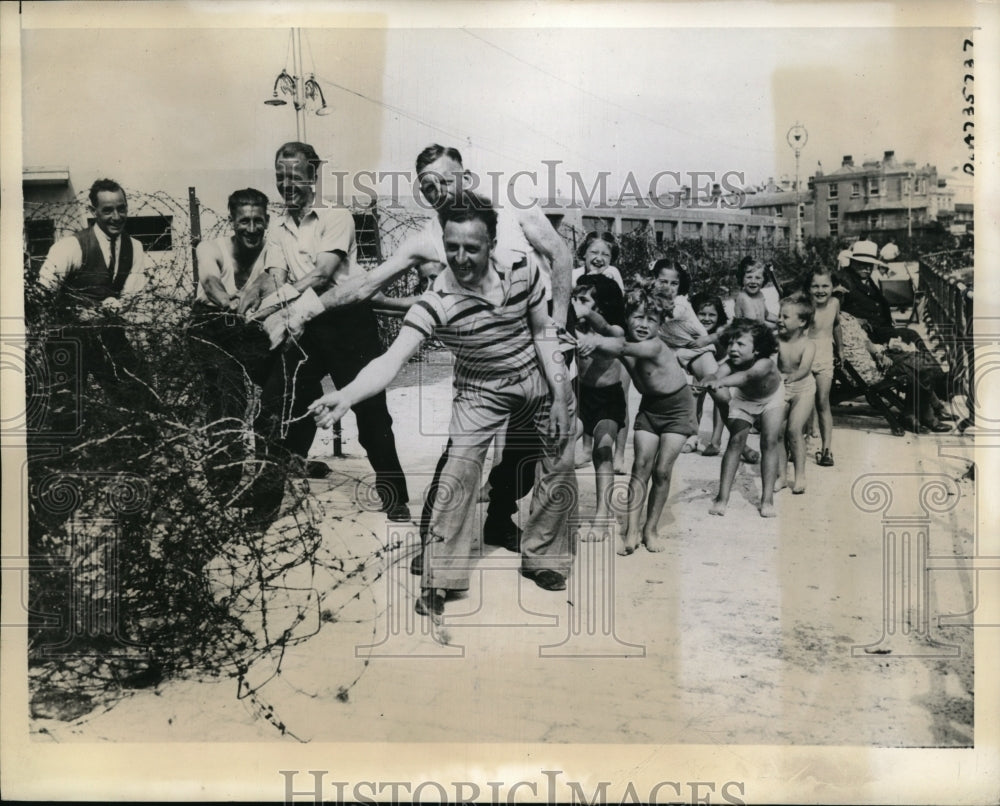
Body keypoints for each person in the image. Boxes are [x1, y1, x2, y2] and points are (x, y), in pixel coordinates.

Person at [267, 143, 573, 554]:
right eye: (428, 186)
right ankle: (434, 543)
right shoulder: (428, 239)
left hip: (535, 345)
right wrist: (308, 309)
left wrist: (559, 321)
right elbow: (368, 284)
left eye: (446, 180)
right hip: (480, 363)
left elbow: (560, 255)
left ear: (465, 175)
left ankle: (500, 519)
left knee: (528, 452)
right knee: (460, 459)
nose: (438, 191)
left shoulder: (515, 207)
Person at [309, 195, 577, 619]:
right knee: (458, 471)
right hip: (480, 388)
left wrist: (560, 397)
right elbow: (389, 361)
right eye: (452, 247)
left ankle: (542, 559)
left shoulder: (523, 270)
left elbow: (544, 332)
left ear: (491, 244)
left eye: (472, 248)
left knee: (560, 462)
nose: (460, 257)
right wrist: (345, 396)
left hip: (536, 375)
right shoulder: (437, 300)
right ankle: (440, 577)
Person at [261, 141, 410, 520]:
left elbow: (322, 275)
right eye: (280, 177)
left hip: (348, 323)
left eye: (295, 177)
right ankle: (267, 499)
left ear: (314, 175)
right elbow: (277, 276)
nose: (287, 185)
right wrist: (270, 308)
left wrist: (278, 303)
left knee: (371, 412)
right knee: (283, 402)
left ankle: (395, 498)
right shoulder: (276, 226)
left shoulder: (335, 215)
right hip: (305, 323)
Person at [36, 178, 159, 437]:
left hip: (109, 334)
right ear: (93, 212)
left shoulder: (134, 247)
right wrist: (74, 314)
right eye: (107, 210)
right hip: (69, 339)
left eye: (121, 208)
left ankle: (135, 454)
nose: (116, 217)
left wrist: (118, 306)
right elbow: (42, 295)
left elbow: (132, 293)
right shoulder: (70, 247)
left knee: (138, 394)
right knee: (67, 410)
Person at [580, 290, 696, 555]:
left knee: (662, 470)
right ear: (628, 317)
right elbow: (608, 329)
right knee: (641, 465)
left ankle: (650, 529)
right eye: (638, 317)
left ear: (660, 323)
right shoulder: (622, 336)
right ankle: (632, 529)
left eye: (652, 319)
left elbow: (619, 347)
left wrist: (593, 341)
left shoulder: (652, 345)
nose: (644, 325)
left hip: (678, 408)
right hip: (651, 408)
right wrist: (587, 314)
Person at [188, 188, 282, 503]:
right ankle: (223, 480)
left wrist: (249, 298)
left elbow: (269, 280)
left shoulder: (273, 250)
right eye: (244, 221)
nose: (252, 229)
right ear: (232, 220)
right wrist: (227, 300)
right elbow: (210, 280)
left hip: (247, 329)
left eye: (258, 221)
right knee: (228, 392)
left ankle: (267, 471)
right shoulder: (211, 247)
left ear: (267, 220)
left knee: (276, 387)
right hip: (211, 324)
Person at [703, 320, 783, 518]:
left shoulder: (765, 363)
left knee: (769, 442)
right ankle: (722, 498)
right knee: (735, 442)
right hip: (744, 399)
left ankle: (767, 500)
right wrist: (710, 378)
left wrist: (720, 382)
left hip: (771, 400)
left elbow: (746, 377)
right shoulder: (730, 364)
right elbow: (717, 373)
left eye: (740, 344)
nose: (733, 349)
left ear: (757, 349)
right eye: (730, 344)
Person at [571, 274, 627, 539]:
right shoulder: (576, 328)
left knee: (602, 452)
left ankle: (602, 517)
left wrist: (588, 316)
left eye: (583, 300)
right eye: (575, 299)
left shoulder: (614, 330)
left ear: (600, 305)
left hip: (608, 398)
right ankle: (558, 510)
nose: (576, 305)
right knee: (559, 442)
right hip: (581, 394)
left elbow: (609, 332)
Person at [572, 230, 629, 473]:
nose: (599, 257)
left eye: (606, 254)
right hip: (586, 343)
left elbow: (617, 318)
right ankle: (586, 449)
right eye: (594, 252)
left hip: (613, 343)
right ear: (583, 253)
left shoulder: (612, 276)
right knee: (586, 393)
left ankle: (620, 454)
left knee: (619, 401)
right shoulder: (575, 277)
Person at [838, 241, 919, 345]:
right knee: (911, 336)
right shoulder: (844, 281)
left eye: (870, 265)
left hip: (880, 331)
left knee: (912, 337)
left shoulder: (864, 278)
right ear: (853, 262)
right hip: (866, 337)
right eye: (863, 264)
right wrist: (855, 321)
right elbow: (834, 313)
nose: (867, 269)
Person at [774, 297, 816, 494]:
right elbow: (770, 363)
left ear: (802, 322)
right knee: (778, 432)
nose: (779, 320)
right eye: (779, 315)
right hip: (782, 388)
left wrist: (788, 377)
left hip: (803, 390)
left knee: (794, 430)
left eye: (785, 317)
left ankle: (800, 475)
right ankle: (781, 476)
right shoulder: (777, 341)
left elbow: (805, 369)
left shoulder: (808, 344)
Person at [805, 268, 840, 467]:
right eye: (815, 286)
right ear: (808, 288)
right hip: (806, 354)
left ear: (833, 287)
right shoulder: (805, 306)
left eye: (825, 285)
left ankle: (827, 449)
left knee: (822, 400)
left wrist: (841, 349)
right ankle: (798, 443)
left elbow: (836, 325)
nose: (820, 290)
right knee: (803, 401)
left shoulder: (835, 303)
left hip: (825, 354)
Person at [691, 293, 728, 456]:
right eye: (702, 314)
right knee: (695, 396)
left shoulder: (720, 331)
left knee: (719, 400)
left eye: (711, 314)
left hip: (719, 365)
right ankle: (691, 436)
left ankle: (716, 440)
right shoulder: (691, 330)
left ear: (718, 316)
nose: (706, 318)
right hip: (699, 365)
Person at [733, 259, 777, 325]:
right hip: (748, 332)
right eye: (749, 277)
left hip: (758, 330)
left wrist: (780, 320)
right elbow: (753, 324)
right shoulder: (744, 298)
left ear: (764, 280)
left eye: (758, 278)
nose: (753, 281)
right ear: (742, 279)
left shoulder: (760, 295)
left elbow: (766, 315)